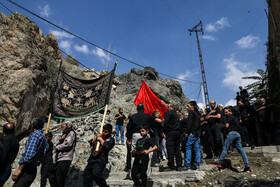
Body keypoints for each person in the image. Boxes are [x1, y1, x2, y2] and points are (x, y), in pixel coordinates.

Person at [211, 107, 252, 172]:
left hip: (232, 134)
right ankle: (247, 166)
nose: (225, 113)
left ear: (230, 112)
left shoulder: (230, 117)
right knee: (241, 151)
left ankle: (219, 162)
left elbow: (227, 125)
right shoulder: (235, 118)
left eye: (226, 112)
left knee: (225, 148)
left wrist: (223, 128)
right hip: (238, 134)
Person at [12, 118, 49, 187]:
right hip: (32, 170)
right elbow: (44, 151)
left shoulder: (35, 135)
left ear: (32, 126)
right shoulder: (44, 138)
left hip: (27, 168)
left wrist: (19, 169)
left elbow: (29, 155)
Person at [126, 103, 152, 174]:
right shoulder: (148, 116)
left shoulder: (133, 117)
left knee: (134, 152)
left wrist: (128, 137)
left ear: (137, 109)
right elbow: (152, 126)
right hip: (146, 135)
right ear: (144, 109)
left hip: (136, 135)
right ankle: (147, 173)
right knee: (147, 153)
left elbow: (129, 128)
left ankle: (133, 173)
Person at [55, 121, 76, 187]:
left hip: (65, 158)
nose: (61, 127)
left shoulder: (71, 133)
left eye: (62, 125)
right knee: (57, 177)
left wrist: (57, 147)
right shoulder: (65, 133)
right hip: (61, 158)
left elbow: (67, 144)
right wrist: (60, 140)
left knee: (60, 179)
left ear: (66, 125)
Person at [163, 103, 183, 171]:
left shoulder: (169, 113)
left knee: (170, 149)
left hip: (171, 132)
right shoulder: (176, 115)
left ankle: (171, 165)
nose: (167, 108)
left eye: (168, 107)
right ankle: (179, 164)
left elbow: (166, 123)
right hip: (177, 132)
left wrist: (164, 131)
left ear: (172, 107)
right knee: (177, 149)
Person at [184, 101, 201, 170]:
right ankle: (197, 164)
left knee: (188, 147)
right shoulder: (197, 113)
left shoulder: (191, 113)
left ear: (192, 106)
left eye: (188, 106)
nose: (187, 107)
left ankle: (187, 164)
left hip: (192, 133)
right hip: (197, 133)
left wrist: (187, 132)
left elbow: (189, 123)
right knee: (197, 148)